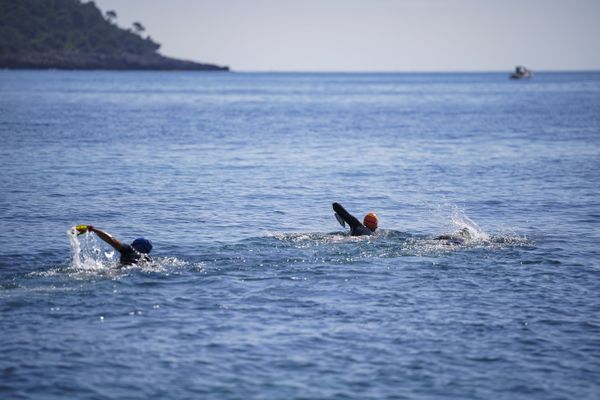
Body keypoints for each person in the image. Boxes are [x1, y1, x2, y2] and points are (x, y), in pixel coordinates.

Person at [77, 225, 152, 265]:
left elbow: (111, 240)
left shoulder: (130, 249)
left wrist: (92, 229)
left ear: (135, 244)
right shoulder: (148, 259)